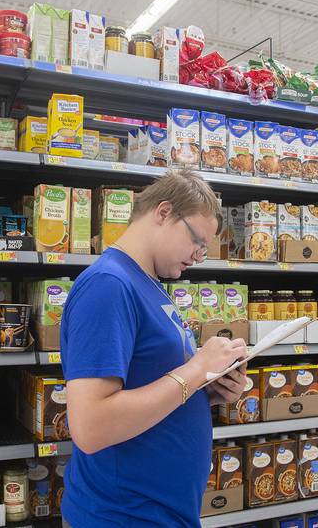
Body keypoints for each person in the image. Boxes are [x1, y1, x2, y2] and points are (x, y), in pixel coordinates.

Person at [59, 170, 249, 527]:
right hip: (121, 516)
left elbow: (149, 385)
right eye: (197, 241)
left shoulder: (147, 283)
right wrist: (194, 370)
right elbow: (91, 427)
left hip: (158, 514)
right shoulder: (108, 286)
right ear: (163, 213)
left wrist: (208, 389)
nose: (199, 256)